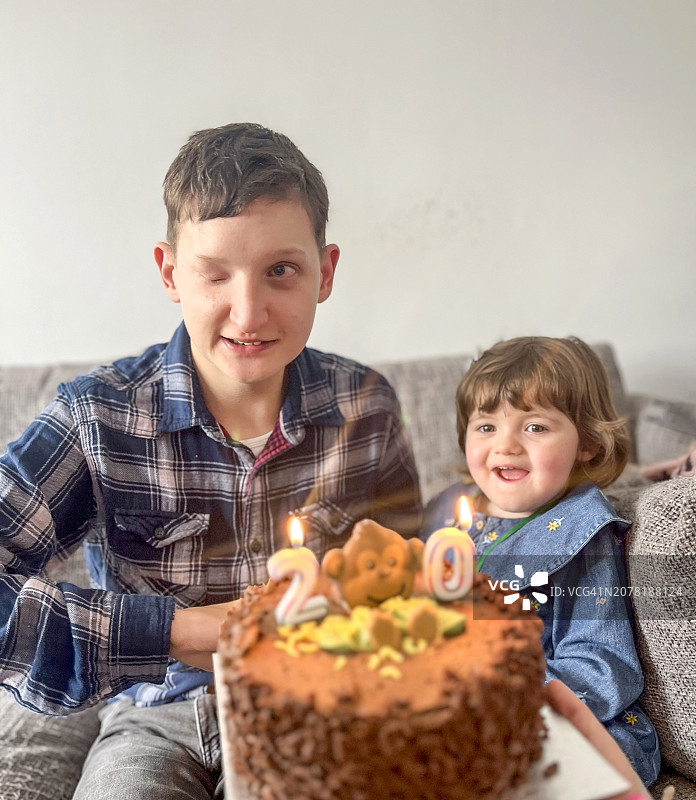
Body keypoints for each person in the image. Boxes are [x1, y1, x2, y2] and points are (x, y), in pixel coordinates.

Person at [0, 123, 421, 799]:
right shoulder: (97, 417)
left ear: (327, 272)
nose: (248, 312)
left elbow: (408, 586)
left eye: (280, 270)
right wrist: (182, 630)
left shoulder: (366, 408)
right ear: (170, 272)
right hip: (150, 716)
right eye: (215, 273)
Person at [421, 336, 660, 787]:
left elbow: (604, 663)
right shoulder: (452, 517)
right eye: (486, 427)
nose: (505, 445)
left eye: (535, 427)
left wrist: (505, 698)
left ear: (587, 443)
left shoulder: (582, 532)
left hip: (566, 721)